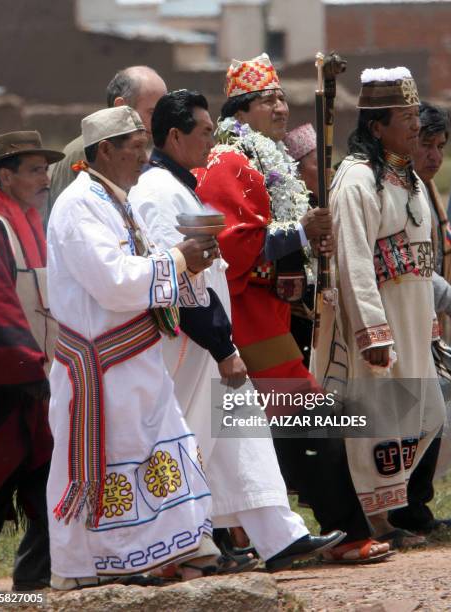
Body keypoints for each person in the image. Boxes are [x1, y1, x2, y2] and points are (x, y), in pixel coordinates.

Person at [130, 89, 345, 571]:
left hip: (207, 342)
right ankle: (177, 546)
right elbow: (178, 280)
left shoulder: (180, 187)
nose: (212, 141)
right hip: (187, 346)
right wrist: (222, 344)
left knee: (240, 441)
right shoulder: (158, 193)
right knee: (190, 444)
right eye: (205, 132)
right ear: (175, 136)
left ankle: (280, 537)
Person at [195, 54, 389, 563]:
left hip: (272, 314)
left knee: (260, 434)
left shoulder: (269, 159)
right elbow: (231, 246)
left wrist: (308, 246)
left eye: (282, 96)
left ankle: (247, 536)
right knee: (311, 418)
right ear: (242, 109)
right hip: (245, 317)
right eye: (267, 99)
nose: (280, 106)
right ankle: (345, 532)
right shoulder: (229, 162)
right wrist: (299, 231)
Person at [46, 106, 223, 589]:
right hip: (101, 367)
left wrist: (187, 262)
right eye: (136, 146)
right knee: (108, 465)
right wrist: (176, 260)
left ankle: (179, 547)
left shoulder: (116, 198)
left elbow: (142, 270)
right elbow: (113, 282)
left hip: (134, 361)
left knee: (163, 449)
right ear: (105, 149)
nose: (145, 155)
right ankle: (87, 569)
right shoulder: (78, 204)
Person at [314, 67, 446, 549]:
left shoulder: (408, 179)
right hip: (381, 327)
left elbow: (419, 262)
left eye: (415, 114)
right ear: (377, 126)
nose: (415, 125)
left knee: (426, 415)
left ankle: (395, 509)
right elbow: (353, 263)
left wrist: (428, 320)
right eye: (406, 117)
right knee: (380, 425)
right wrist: (373, 331)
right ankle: (379, 521)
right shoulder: (357, 182)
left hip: (413, 323)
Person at [0, 131, 62, 593]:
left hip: (36, 377)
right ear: (5, 177)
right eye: (34, 169)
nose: (45, 178)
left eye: (45, 169)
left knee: (46, 478)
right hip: (7, 383)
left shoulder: (30, 223)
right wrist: (29, 365)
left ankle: (33, 576)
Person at [388, 102, 451, 533]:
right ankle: (401, 509)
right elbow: (413, 264)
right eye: (426, 145)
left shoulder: (425, 188)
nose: (434, 156)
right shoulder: (396, 190)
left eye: (441, 147)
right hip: (399, 319)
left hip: (426, 322)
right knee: (410, 416)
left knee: (429, 414)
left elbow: (443, 256)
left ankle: (416, 507)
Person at [47, 66, 167, 210]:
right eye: (152, 112)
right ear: (121, 106)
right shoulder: (83, 153)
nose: (160, 122)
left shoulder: (141, 152)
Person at [284, 123, 319, 366]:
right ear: (296, 171)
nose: (327, 170)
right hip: (297, 322)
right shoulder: (286, 213)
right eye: (318, 164)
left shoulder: (326, 203)